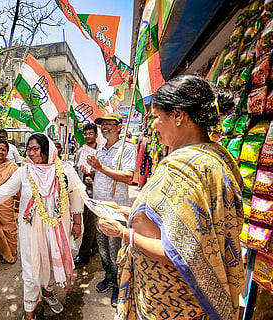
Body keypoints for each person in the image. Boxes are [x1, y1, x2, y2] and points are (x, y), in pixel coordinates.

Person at [98, 75, 244, 319]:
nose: (153, 125)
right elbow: (178, 220)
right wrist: (128, 212)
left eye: (156, 117)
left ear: (178, 116)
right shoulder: (215, 158)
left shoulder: (186, 168)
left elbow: (179, 252)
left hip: (173, 304)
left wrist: (124, 233)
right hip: (181, 299)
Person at [0, 133, 84, 320]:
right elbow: (4, 191)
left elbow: (75, 195)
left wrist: (78, 223)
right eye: (29, 149)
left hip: (58, 227)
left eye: (35, 149)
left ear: (46, 150)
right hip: (31, 229)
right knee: (32, 268)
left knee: (51, 259)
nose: (31, 154)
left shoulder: (65, 171)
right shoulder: (24, 172)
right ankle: (29, 311)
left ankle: (48, 293)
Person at [84, 112, 136, 307]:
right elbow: (99, 173)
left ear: (119, 126)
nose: (104, 128)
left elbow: (128, 177)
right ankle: (108, 275)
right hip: (99, 208)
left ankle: (118, 284)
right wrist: (92, 177)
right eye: (102, 125)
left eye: (109, 124)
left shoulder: (127, 148)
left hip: (116, 209)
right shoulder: (101, 150)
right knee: (103, 248)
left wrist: (101, 167)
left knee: (116, 250)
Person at [73, 122, 100, 269]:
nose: (88, 136)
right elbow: (76, 172)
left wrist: (94, 177)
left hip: (96, 193)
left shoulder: (101, 152)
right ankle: (93, 248)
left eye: (91, 133)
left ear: (96, 135)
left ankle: (84, 255)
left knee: (91, 223)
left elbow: (104, 172)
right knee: (88, 223)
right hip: (83, 192)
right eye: (85, 134)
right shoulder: (79, 152)